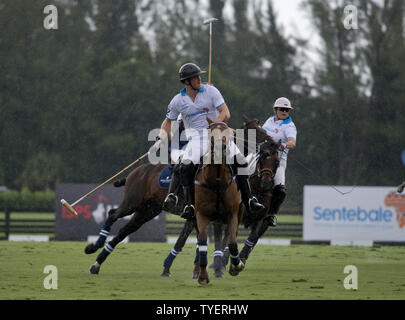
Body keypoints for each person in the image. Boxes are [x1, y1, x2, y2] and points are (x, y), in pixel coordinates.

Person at [151, 62, 264, 220]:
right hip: (197, 138)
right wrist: (160, 137)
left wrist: (216, 124)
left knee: (241, 162)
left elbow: (225, 112)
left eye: (199, 76)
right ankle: (188, 204)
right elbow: (168, 121)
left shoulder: (211, 91)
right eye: (195, 77)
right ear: (186, 81)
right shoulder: (177, 101)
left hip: (218, 132)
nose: (199, 79)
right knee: (185, 166)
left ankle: (249, 199)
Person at [262, 97, 297, 227]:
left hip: (278, 160)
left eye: (287, 110)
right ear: (275, 110)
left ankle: (271, 214)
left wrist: (282, 145)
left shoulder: (289, 126)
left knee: (280, 189)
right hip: (262, 156)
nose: (284, 111)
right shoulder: (269, 120)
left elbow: (292, 142)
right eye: (282, 109)